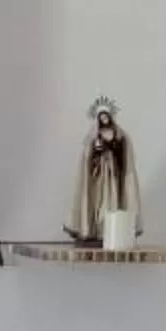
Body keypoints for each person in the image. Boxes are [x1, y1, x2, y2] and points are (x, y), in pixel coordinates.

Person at [66, 97, 141, 244]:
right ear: (98, 119)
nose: (104, 119)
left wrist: (114, 151)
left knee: (111, 200)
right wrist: (97, 153)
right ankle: (96, 229)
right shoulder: (94, 135)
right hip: (99, 175)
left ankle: (110, 230)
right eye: (102, 117)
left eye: (106, 116)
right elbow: (88, 155)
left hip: (113, 174)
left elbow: (124, 153)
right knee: (98, 200)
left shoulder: (119, 134)